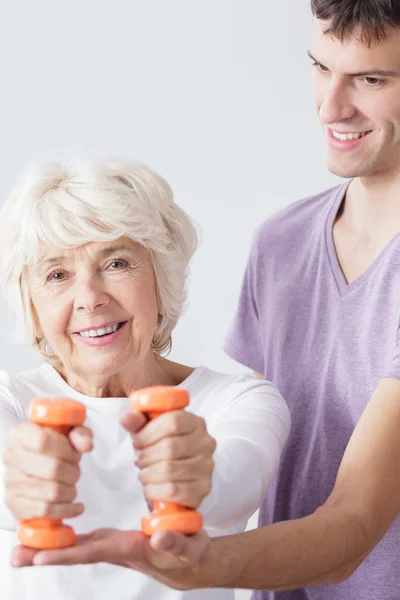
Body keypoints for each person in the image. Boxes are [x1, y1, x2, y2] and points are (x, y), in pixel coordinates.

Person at [16, 2, 400, 599]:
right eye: (320, 68)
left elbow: (348, 527)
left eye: (371, 79)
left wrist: (201, 553)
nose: (330, 107)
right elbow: (263, 448)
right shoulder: (281, 244)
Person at [0, 157, 291, 600]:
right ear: (32, 308)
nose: (90, 299)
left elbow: (240, 482)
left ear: (162, 283)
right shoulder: (10, 400)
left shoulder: (239, 399)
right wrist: (15, 479)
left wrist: (199, 478)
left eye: (115, 263)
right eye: (57, 274)